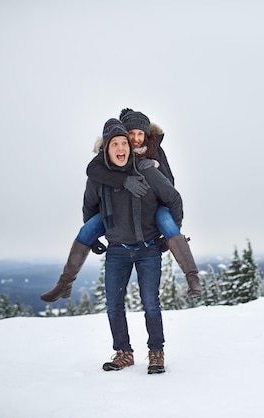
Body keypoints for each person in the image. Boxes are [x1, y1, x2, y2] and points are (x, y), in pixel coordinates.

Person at [40, 109, 201, 303]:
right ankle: (64, 283)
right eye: (131, 134)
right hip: (118, 210)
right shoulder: (115, 151)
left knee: (167, 222)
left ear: (147, 135)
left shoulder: (154, 151)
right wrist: (124, 180)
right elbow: (93, 171)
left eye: (140, 134)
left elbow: (170, 186)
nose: (136, 138)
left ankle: (192, 278)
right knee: (87, 229)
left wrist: (152, 175)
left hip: (152, 207)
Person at [85, 117, 181, 373]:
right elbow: (89, 205)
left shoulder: (149, 162)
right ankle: (123, 353)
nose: (123, 146)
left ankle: (156, 353)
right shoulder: (100, 172)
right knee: (113, 303)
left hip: (148, 246)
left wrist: (169, 235)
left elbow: (172, 195)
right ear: (107, 147)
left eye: (125, 142)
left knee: (150, 302)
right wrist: (94, 234)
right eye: (115, 143)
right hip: (117, 249)